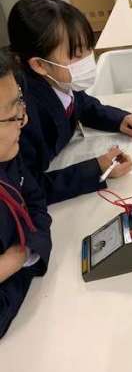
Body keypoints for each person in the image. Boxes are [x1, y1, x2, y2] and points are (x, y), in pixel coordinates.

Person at [7, 0, 132, 205]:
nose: (88, 59)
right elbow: (27, 189)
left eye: (89, 48)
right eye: (77, 55)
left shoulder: (57, 79)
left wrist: (118, 119)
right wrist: (97, 169)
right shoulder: (20, 115)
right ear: (39, 65)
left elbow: (80, 102)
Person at [0, 50, 52, 338]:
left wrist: (21, 256)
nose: (24, 119)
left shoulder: (7, 153)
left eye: (20, 102)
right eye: (12, 116)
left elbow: (36, 203)